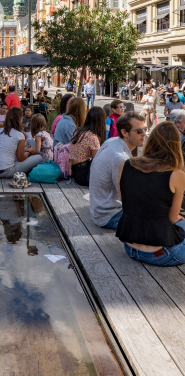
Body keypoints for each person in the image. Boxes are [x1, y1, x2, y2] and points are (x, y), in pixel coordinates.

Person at [116, 122, 185, 266]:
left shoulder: (126, 164)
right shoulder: (177, 175)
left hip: (129, 246)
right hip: (160, 254)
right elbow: (172, 217)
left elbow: (127, 203)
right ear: (176, 146)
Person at [89, 111, 147, 230]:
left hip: (99, 208)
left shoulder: (113, 141)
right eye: (139, 131)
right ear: (124, 132)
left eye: (145, 129)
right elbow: (126, 197)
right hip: (109, 216)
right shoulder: (120, 158)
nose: (144, 134)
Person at [0, 107, 43, 178]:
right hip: (6, 171)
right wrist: (29, 152)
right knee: (39, 157)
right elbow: (21, 158)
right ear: (19, 119)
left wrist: (25, 150)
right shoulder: (19, 135)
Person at [69, 106, 106, 186]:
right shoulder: (92, 137)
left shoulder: (79, 131)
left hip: (76, 171)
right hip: (84, 176)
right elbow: (98, 160)